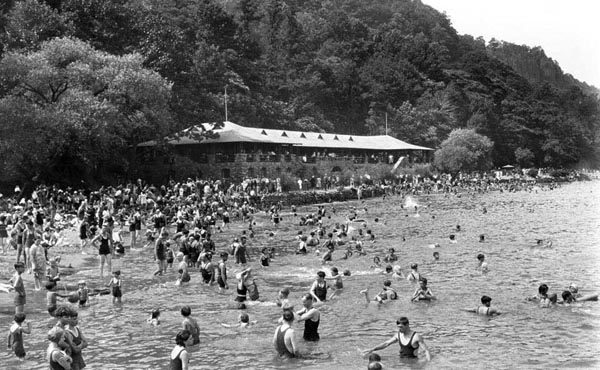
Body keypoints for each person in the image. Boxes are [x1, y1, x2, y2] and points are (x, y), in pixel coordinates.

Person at [363, 316, 431, 361]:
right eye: (398, 327)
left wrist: (429, 364)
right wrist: (372, 349)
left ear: (407, 325)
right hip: (400, 360)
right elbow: (386, 344)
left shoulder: (416, 337)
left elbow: (426, 351)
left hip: (412, 362)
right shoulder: (398, 335)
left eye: (401, 327)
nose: (399, 329)